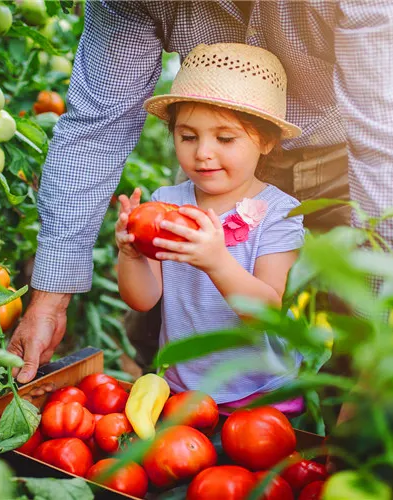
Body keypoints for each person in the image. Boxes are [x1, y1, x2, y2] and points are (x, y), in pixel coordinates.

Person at [8, 1, 393, 383]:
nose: (201, 153)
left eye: (217, 138)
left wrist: (380, 366)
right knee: (152, 332)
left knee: (355, 334)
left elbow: (390, 154)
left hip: (346, 160)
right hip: (231, 165)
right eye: (186, 136)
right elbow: (96, 130)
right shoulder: (183, 189)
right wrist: (51, 298)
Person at [114, 43, 306, 411]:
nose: (202, 152)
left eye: (225, 138)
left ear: (265, 141)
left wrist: (216, 260)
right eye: (188, 136)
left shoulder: (279, 212)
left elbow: (266, 310)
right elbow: (142, 299)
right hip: (183, 389)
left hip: (262, 395)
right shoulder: (166, 202)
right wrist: (131, 254)